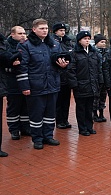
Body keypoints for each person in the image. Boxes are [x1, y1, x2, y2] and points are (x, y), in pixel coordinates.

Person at [17, 18, 69, 149]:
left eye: (46, 28)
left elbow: (58, 63)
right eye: (41, 28)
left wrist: (63, 66)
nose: (45, 31)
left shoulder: (54, 45)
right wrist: (25, 86)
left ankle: (48, 136)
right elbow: (22, 67)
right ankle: (37, 139)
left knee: (50, 114)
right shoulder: (25, 45)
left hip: (52, 85)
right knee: (36, 114)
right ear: (34, 29)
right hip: (35, 86)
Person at [68, 31, 102, 136]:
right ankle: (82, 128)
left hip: (92, 85)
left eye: (88, 38)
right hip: (81, 86)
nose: (87, 40)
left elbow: (98, 68)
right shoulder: (74, 53)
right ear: (79, 40)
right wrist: (74, 85)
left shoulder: (94, 52)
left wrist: (100, 81)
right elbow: (71, 70)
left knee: (90, 108)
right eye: (84, 38)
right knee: (81, 108)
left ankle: (89, 126)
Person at [5, 26, 30, 140]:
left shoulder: (27, 45)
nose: (23, 35)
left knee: (25, 106)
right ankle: (14, 129)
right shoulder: (6, 46)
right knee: (14, 107)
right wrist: (11, 66)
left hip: (25, 81)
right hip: (12, 82)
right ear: (12, 34)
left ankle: (25, 128)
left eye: (24, 33)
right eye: (20, 33)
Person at [52, 22, 74, 129]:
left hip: (68, 74)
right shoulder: (53, 42)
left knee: (66, 100)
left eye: (64, 30)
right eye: (61, 30)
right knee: (58, 101)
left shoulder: (68, 42)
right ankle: (59, 120)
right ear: (55, 31)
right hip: (58, 74)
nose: (63, 32)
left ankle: (65, 119)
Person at [93, 34, 108, 122]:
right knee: (96, 97)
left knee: (103, 96)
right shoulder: (93, 52)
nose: (103, 44)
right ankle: (94, 113)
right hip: (96, 78)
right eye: (101, 42)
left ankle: (101, 113)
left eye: (104, 42)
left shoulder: (106, 52)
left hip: (104, 78)